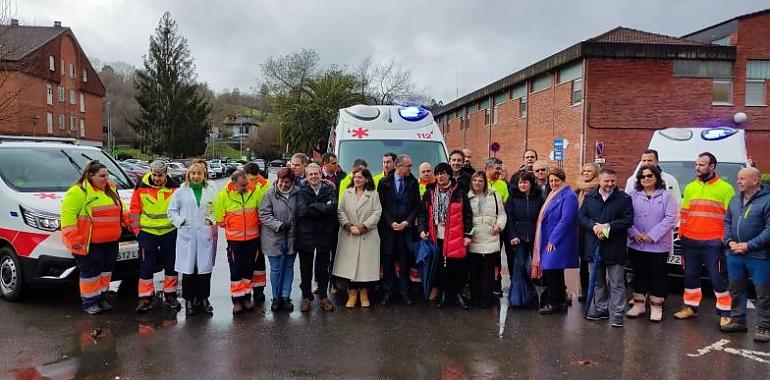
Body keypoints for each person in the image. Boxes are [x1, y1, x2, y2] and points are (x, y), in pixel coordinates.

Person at [674, 152, 734, 328]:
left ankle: (725, 312)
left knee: (718, 278)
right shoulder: (691, 187)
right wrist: (682, 234)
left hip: (713, 242)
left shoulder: (725, 188)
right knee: (690, 276)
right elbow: (684, 214)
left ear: (712, 167)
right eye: (697, 164)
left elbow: (730, 217)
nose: (697, 167)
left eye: (701, 165)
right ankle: (691, 307)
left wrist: (723, 238)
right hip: (690, 240)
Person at [61, 161, 125, 315]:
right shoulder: (78, 192)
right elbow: (67, 219)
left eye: (107, 175)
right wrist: (75, 240)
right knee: (91, 274)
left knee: (105, 272)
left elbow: (122, 209)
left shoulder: (110, 189)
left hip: (110, 242)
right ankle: (90, 302)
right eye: (102, 176)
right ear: (91, 176)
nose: (106, 178)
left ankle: (102, 297)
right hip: (89, 243)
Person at [579, 168, 634, 327]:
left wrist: (608, 227)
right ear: (599, 181)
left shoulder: (624, 199)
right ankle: (602, 309)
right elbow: (582, 216)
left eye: (612, 181)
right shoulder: (590, 197)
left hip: (615, 247)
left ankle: (617, 313)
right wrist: (594, 226)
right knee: (597, 281)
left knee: (616, 282)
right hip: (594, 246)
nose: (610, 184)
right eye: (606, 181)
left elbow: (628, 220)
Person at [722, 167, 770, 342]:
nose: (738, 181)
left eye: (742, 178)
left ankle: (764, 327)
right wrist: (729, 242)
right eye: (738, 178)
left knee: (763, 294)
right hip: (734, 254)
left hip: (759, 256)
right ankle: (738, 321)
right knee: (736, 289)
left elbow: (769, 230)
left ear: (755, 180)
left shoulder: (767, 201)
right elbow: (727, 222)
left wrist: (748, 245)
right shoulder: (735, 200)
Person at [167, 160, 218, 316]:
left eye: (199, 173)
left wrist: (212, 219)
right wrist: (181, 221)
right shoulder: (181, 192)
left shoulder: (210, 190)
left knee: (204, 270)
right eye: (193, 173)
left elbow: (215, 208)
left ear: (204, 175)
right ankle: (189, 301)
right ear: (188, 175)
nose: (196, 176)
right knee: (188, 271)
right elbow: (171, 212)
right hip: (187, 234)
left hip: (204, 234)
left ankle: (203, 299)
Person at [626, 165, 677, 322]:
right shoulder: (632, 195)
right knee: (639, 274)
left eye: (650, 176)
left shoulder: (666, 196)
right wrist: (634, 233)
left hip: (658, 246)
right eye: (643, 177)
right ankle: (639, 305)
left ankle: (656, 306)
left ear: (657, 178)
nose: (646, 179)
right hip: (636, 244)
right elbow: (625, 217)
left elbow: (670, 219)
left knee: (657, 276)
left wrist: (652, 236)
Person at [419, 163, 473, 309]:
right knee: (440, 267)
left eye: (443, 173)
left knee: (456, 266)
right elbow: (423, 213)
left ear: (449, 175)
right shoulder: (429, 192)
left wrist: (468, 234)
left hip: (455, 236)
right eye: (437, 174)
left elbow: (467, 215)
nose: (440, 176)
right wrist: (422, 228)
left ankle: (456, 294)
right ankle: (442, 294)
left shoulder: (459, 192)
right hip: (437, 236)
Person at [129, 161, 180, 313]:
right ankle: (145, 298)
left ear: (166, 174)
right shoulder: (141, 187)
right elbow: (134, 209)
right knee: (146, 265)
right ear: (151, 173)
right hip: (148, 233)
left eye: (160, 175)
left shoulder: (175, 187)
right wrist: (137, 231)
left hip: (169, 232)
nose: (157, 178)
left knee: (171, 265)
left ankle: (170, 295)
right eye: (155, 175)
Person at [531, 168, 578, 314]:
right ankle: (559, 301)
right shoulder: (553, 193)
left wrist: (553, 240)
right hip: (549, 238)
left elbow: (566, 220)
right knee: (555, 271)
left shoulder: (569, 195)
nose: (553, 183)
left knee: (551, 270)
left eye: (556, 180)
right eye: (551, 180)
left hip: (558, 240)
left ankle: (554, 302)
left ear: (563, 180)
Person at [334, 168, 382, 308]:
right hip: (349, 235)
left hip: (367, 234)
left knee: (364, 266)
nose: (357, 180)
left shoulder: (373, 194)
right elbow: (340, 211)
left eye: (360, 177)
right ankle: (352, 292)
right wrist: (349, 226)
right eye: (355, 177)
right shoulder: (347, 193)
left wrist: (363, 227)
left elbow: (377, 213)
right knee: (350, 266)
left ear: (367, 179)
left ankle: (364, 292)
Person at [215, 170, 261, 314]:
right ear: (233, 184)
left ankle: (247, 298)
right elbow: (219, 219)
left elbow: (261, 212)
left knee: (248, 270)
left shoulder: (255, 191)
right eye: (242, 185)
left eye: (246, 183)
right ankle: (237, 301)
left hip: (253, 240)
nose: (246, 187)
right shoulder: (223, 195)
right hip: (235, 241)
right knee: (236, 271)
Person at [378, 154, 421, 305]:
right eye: (408, 166)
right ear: (398, 166)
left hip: (405, 230)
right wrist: (390, 222)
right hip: (389, 230)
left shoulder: (413, 182)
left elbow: (417, 206)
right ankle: (387, 292)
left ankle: (405, 292)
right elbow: (380, 207)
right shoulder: (384, 183)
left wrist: (408, 222)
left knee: (405, 262)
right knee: (388, 262)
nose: (410, 168)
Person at [296, 163, 338, 312]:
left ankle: (323, 297)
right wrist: (322, 207)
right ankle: (306, 297)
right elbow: (302, 211)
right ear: (306, 177)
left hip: (324, 235)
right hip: (306, 236)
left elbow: (332, 209)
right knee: (305, 269)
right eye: (311, 174)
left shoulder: (329, 189)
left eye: (316, 173)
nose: (314, 176)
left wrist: (313, 206)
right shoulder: (301, 192)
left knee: (322, 269)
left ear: (321, 174)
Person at [259, 167, 299, 312]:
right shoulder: (269, 195)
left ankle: (285, 296)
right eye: (281, 181)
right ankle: (276, 297)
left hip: (292, 238)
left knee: (288, 268)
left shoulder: (298, 194)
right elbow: (264, 215)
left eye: (287, 182)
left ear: (292, 182)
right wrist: (279, 225)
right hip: (274, 239)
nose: (283, 185)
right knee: (276, 269)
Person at [467, 171, 507, 308]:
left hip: (491, 237)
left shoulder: (495, 196)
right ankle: (475, 298)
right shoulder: (468, 197)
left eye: (480, 181)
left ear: (485, 182)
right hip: (474, 239)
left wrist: (500, 226)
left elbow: (502, 214)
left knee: (488, 272)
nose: (477, 183)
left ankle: (486, 299)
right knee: (474, 271)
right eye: (475, 181)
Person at [505, 171, 543, 307]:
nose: (522, 185)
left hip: (535, 237)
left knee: (533, 267)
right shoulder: (513, 198)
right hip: (518, 237)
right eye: (520, 182)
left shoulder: (539, 198)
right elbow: (509, 218)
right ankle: (518, 299)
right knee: (520, 266)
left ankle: (532, 295)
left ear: (531, 184)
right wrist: (513, 235)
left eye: (525, 182)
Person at [243, 162, 269, 304]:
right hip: (243, 231)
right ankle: (245, 291)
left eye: (255, 179)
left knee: (259, 261)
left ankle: (259, 290)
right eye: (250, 179)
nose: (252, 182)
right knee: (244, 263)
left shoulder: (264, 185)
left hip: (259, 229)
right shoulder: (237, 185)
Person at [575, 163, 600, 302]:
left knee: (593, 260)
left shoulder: (598, 189)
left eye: (589, 171)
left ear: (595, 173)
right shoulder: (578, 189)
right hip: (580, 228)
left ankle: (596, 291)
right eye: (584, 171)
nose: (586, 173)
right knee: (583, 262)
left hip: (592, 227)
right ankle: (584, 291)